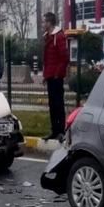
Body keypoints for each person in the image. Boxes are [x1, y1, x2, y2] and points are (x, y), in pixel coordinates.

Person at [42, 12, 69, 141]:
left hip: (56, 76)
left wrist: (58, 74)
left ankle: (61, 130)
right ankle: (54, 130)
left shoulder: (59, 36)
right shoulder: (48, 37)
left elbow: (64, 57)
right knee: (52, 104)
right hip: (50, 75)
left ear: (49, 22)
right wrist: (45, 75)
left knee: (59, 103)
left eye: (44, 22)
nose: (43, 24)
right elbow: (47, 59)